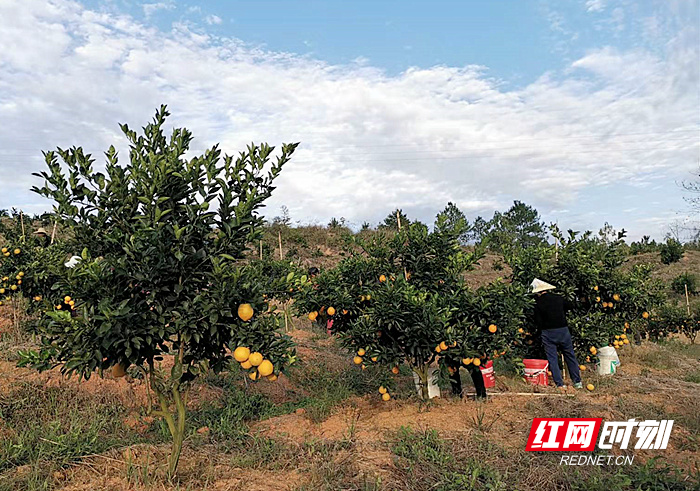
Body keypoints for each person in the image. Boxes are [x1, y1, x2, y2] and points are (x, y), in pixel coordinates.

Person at [531, 278, 583, 390]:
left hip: (548, 332)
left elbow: (537, 321)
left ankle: (559, 384)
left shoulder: (537, 303)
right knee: (570, 355)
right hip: (563, 330)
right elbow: (571, 306)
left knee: (552, 359)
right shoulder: (558, 298)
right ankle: (577, 382)